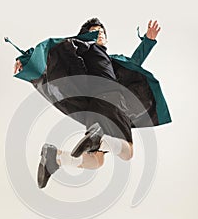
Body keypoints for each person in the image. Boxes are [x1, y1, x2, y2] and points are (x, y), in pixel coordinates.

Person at [12, 18, 170, 189]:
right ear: (88, 36)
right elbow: (56, 47)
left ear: (107, 39)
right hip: (112, 100)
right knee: (128, 152)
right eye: (95, 32)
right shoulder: (84, 48)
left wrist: (148, 40)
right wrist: (27, 59)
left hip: (94, 109)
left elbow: (133, 62)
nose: (100, 34)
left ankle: (56, 157)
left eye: (102, 32)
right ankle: (99, 140)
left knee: (96, 161)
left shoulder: (107, 59)